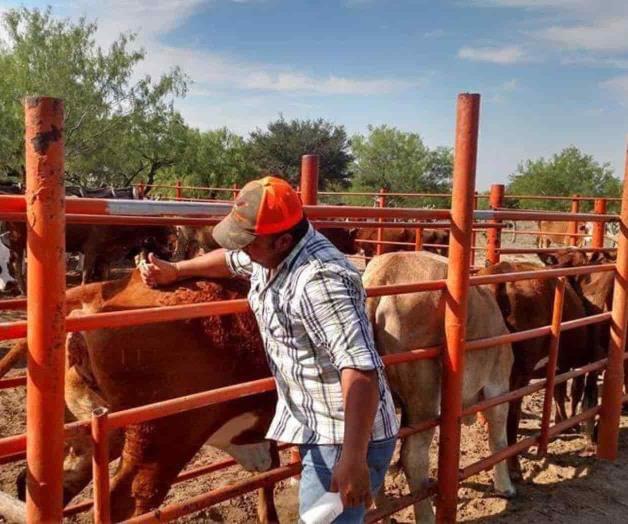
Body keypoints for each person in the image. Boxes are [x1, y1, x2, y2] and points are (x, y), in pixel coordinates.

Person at [140, 176, 399, 522]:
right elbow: (231, 260)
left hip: (342, 435)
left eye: (249, 242)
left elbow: (360, 368)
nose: (243, 249)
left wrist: (352, 460)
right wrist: (176, 270)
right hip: (315, 423)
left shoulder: (321, 280)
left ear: (284, 240)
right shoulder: (271, 253)